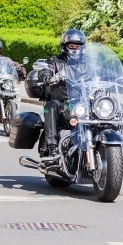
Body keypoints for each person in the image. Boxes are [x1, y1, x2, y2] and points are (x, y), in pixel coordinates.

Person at [37, 29, 86, 162]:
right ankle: (53, 148)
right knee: (52, 106)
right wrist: (47, 76)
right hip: (62, 103)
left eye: (78, 46)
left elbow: (101, 71)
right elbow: (45, 70)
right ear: (65, 46)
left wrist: (120, 77)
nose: (75, 49)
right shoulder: (55, 61)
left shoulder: (87, 63)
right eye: (72, 46)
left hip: (82, 103)